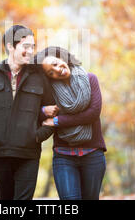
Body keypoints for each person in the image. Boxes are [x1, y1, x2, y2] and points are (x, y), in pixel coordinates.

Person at [0, 25, 57, 200]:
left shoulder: (39, 79)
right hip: (0, 153)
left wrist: (38, 136)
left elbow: (53, 111)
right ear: (10, 46)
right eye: (25, 46)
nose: (30, 51)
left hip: (29, 154)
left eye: (32, 46)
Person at [35, 46, 107, 200]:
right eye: (51, 72)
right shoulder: (50, 91)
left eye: (55, 63)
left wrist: (57, 121)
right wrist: (42, 111)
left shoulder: (90, 79)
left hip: (92, 153)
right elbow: (34, 112)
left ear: (62, 58)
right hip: (64, 156)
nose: (57, 70)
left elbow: (93, 113)